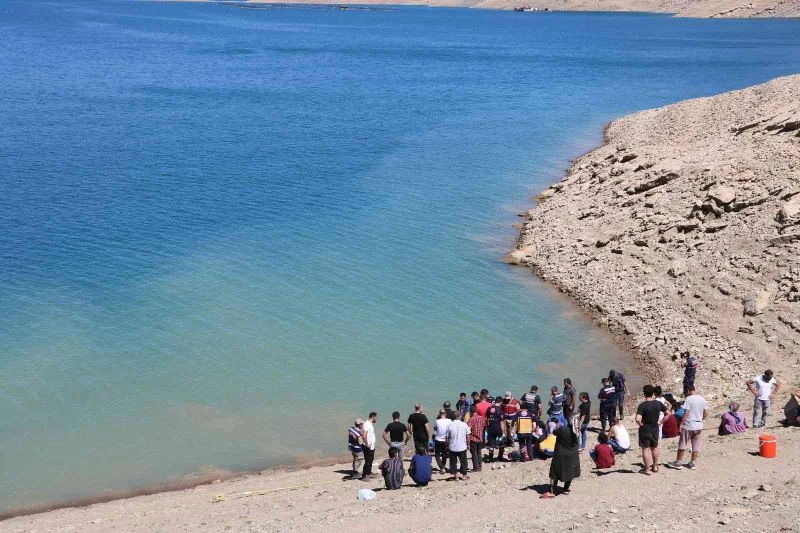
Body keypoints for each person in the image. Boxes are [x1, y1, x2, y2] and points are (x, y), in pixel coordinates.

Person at [669, 385, 708, 470]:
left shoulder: (689, 399)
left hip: (689, 425)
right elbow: (706, 413)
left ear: (688, 390)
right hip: (698, 426)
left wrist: (681, 424)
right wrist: (700, 419)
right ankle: (692, 463)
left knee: (682, 443)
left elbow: (686, 413)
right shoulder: (702, 399)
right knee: (696, 445)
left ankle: (678, 462)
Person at [540, 423, 580, 498]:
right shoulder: (577, 431)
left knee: (554, 472)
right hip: (573, 454)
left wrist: (559, 425)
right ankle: (566, 489)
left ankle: (552, 492)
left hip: (561, 454)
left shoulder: (563, 430)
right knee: (570, 471)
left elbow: (554, 432)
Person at [635, 384, 667, 476]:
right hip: (655, 428)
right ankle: (655, 466)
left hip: (645, 429)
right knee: (655, 447)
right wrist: (660, 422)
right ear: (653, 393)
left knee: (645, 449)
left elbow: (637, 419)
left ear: (644, 394)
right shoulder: (658, 403)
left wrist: (641, 425)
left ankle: (647, 469)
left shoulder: (642, 405)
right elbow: (668, 413)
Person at [446, 414, 470, 481]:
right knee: (463, 461)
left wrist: (447, 445)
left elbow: (447, 437)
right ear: (460, 416)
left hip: (452, 446)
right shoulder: (464, 424)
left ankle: (456, 476)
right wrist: (468, 444)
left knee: (453, 462)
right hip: (462, 446)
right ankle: (464, 475)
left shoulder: (449, 425)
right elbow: (468, 435)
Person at [467, 404, 486, 472]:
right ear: (477, 410)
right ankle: (480, 466)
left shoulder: (471, 420)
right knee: (479, 452)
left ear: (470, 411)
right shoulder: (481, 418)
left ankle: (476, 467)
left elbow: (468, 431)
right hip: (480, 438)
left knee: (474, 453)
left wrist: (467, 442)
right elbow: (484, 426)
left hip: (473, 438)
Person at [485, 398, 505, 462]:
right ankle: (500, 457)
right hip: (498, 429)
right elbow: (501, 422)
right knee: (501, 443)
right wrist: (503, 432)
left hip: (490, 428)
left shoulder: (489, 408)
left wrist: (487, 427)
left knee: (491, 444)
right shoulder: (500, 410)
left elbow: (487, 419)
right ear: (501, 402)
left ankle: (491, 458)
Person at [432, 409, 452, 474]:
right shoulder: (449, 421)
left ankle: (441, 467)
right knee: (444, 454)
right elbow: (451, 428)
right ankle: (442, 467)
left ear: (439, 414)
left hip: (438, 439)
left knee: (437, 455)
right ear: (445, 414)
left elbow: (434, 428)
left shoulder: (437, 421)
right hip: (446, 440)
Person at [361, 412, 377, 480]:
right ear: (373, 417)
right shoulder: (367, 424)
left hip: (371, 446)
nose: (376, 419)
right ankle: (364, 476)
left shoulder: (369, 424)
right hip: (368, 446)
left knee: (370, 460)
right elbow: (364, 436)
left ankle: (369, 473)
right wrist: (367, 444)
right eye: (376, 417)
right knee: (368, 461)